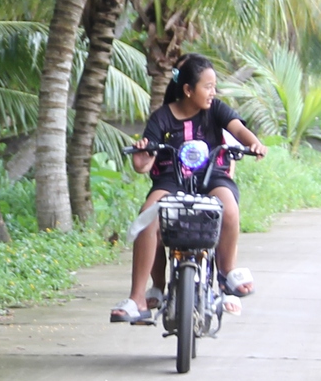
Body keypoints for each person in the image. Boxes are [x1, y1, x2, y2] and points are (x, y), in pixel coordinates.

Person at [113, 54, 266, 324]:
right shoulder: (161, 118)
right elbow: (143, 162)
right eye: (207, 86)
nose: (212, 92)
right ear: (188, 90)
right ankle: (137, 297)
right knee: (149, 216)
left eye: (214, 86)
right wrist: (143, 156)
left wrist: (254, 143)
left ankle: (227, 273)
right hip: (171, 179)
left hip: (212, 177)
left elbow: (239, 130)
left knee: (228, 209)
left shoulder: (216, 110)